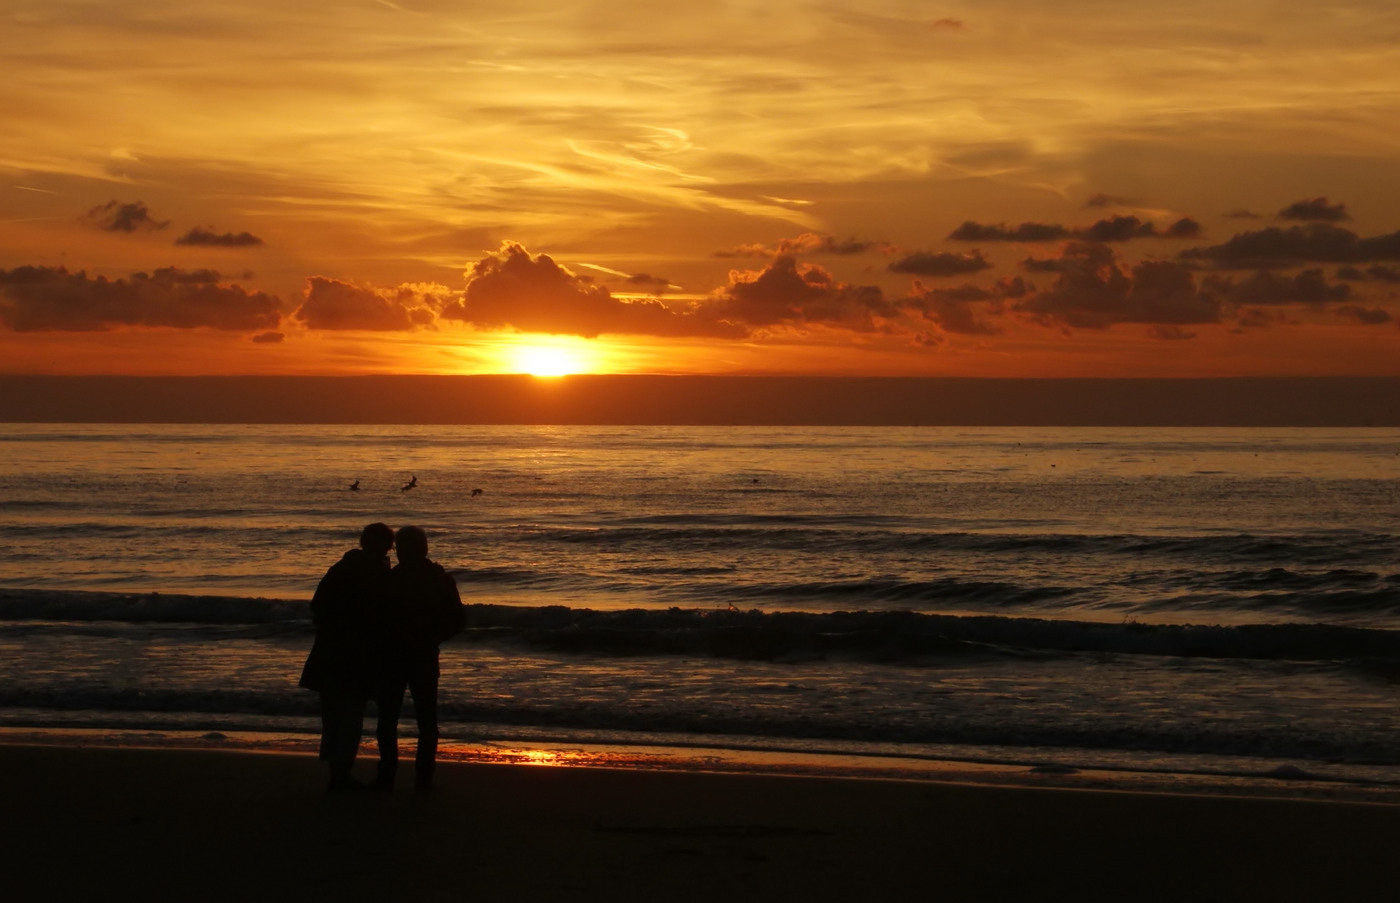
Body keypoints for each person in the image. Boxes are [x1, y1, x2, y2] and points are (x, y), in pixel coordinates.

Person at [298, 522, 394, 791]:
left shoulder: (342, 567)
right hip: (355, 656)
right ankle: (340, 774)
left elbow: (318, 606)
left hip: (330, 652)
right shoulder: (374, 573)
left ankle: (337, 774)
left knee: (334, 716)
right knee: (350, 715)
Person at [372, 525, 465, 792]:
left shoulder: (391, 579)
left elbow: (376, 617)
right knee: (424, 720)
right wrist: (433, 636)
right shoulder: (438, 579)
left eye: (402, 548)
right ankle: (422, 779)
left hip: (396, 655)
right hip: (420, 655)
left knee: (389, 718)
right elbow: (457, 620)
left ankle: (388, 776)